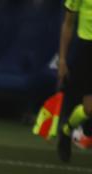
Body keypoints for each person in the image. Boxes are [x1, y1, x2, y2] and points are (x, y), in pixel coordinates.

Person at [58, 0, 92, 163]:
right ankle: (67, 131)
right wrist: (62, 60)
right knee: (89, 109)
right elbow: (68, 23)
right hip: (87, 50)